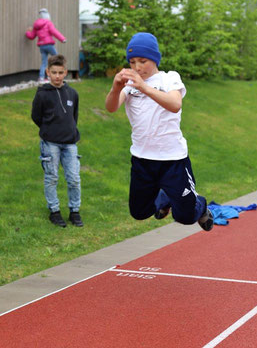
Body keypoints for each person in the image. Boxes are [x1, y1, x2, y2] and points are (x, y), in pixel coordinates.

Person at [105, 32, 213, 231]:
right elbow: (111, 107)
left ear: (154, 59)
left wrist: (144, 87)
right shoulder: (130, 85)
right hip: (142, 159)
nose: (137, 67)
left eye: (143, 61)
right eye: (132, 61)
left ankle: (200, 204)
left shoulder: (169, 78)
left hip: (172, 160)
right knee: (139, 212)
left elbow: (175, 104)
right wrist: (115, 88)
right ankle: (164, 198)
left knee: (186, 217)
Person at [31, 54, 83, 227]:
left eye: (61, 72)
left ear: (66, 72)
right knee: (51, 177)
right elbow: (36, 116)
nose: (58, 76)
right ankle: (54, 211)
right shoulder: (42, 95)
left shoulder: (72, 93)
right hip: (50, 143)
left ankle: (74, 211)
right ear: (48, 72)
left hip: (70, 143)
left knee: (74, 178)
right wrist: (49, 130)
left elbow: (73, 116)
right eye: (54, 72)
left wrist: (68, 131)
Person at [26, 8, 66, 81]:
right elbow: (54, 32)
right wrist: (62, 39)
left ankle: (41, 77)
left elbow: (32, 36)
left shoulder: (36, 25)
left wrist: (28, 32)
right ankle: (60, 75)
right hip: (49, 45)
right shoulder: (48, 23)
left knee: (44, 62)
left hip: (42, 46)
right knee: (58, 59)